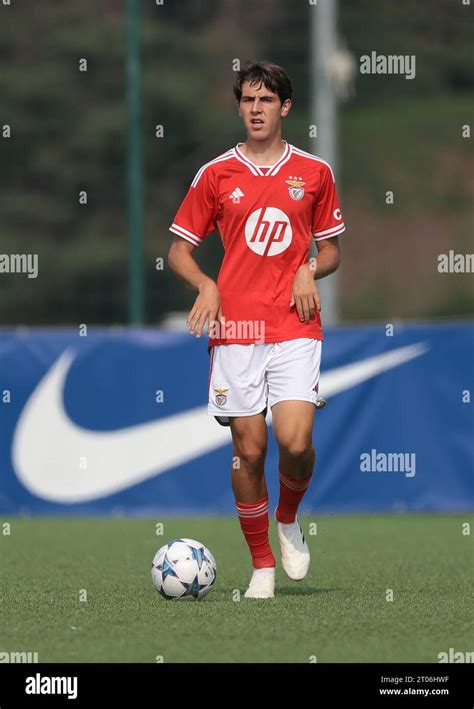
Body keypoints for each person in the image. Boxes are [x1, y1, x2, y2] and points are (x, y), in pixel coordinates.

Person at [168, 61, 345, 598]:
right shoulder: (216, 174)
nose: (256, 108)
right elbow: (179, 250)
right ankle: (262, 565)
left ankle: (288, 518)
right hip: (236, 329)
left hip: (295, 325)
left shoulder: (314, 172)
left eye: (266, 100)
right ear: (239, 106)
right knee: (249, 452)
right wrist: (205, 285)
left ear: (285, 107)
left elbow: (331, 249)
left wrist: (308, 268)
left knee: (295, 440)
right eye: (248, 99)